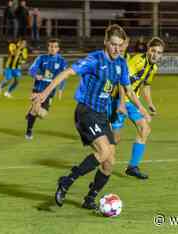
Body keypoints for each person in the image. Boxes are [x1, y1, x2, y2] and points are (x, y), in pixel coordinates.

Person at [33, 24, 151, 209]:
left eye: (120, 45)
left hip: (102, 115)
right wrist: (45, 93)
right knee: (103, 151)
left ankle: (89, 199)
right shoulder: (95, 59)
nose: (117, 49)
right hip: (86, 112)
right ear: (105, 42)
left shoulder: (121, 63)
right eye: (113, 44)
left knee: (109, 163)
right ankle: (66, 181)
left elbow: (128, 89)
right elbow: (67, 73)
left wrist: (141, 108)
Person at [111, 37, 165, 180]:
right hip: (119, 100)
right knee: (115, 140)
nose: (155, 55)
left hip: (132, 102)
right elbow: (123, 85)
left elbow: (146, 85)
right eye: (153, 51)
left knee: (145, 129)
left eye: (159, 53)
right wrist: (141, 109)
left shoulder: (153, 67)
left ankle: (132, 167)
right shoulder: (137, 61)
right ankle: (99, 159)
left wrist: (150, 103)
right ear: (148, 50)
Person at [25, 39, 67, 140]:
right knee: (35, 109)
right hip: (38, 89)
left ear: (58, 49)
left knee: (42, 114)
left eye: (55, 47)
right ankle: (29, 131)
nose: (52, 49)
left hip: (50, 91)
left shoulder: (61, 61)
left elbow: (63, 76)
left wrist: (61, 89)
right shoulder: (41, 58)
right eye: (51, 46)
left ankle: (30, 113)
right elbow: (31, 70)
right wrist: (36, 75)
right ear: (48, 47)